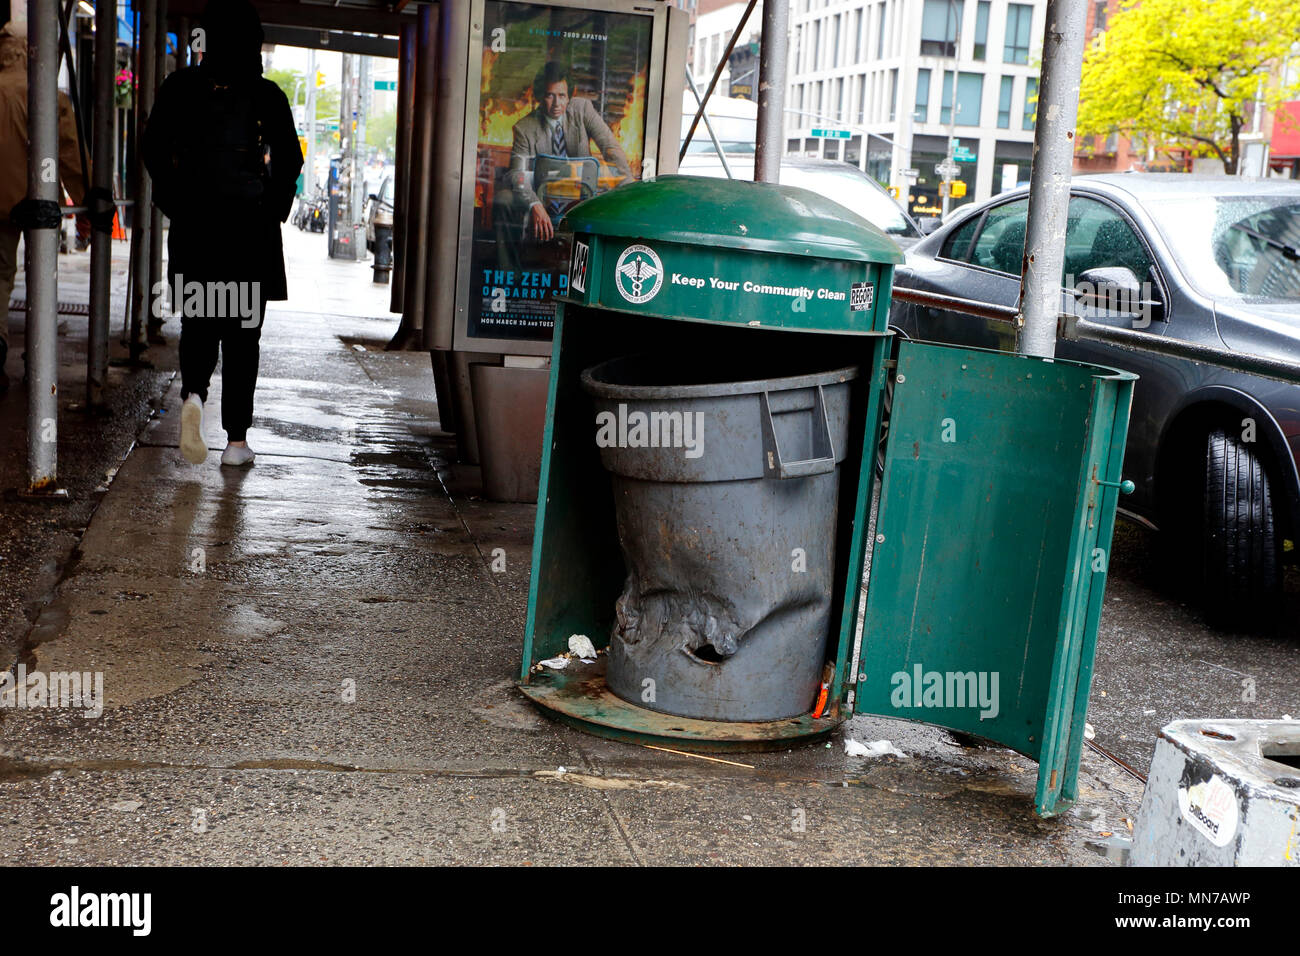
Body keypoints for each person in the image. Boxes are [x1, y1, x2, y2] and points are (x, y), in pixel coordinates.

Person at [142, 0, 301, 466]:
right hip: (249, 235)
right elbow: (289, 160)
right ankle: (235, 442)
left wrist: (175, 201)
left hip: (196, 230)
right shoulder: (267, 95)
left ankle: (193, 395)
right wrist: (270, 208)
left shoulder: (179, 89)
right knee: (242, 336)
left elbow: (153, 149)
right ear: (254, 43)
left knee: (200, 322)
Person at [0, 23, 89, 395]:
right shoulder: (47, 95)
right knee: (42, 281)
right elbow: (70, 154)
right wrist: (85, 203)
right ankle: (35, 357)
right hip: (36, 206)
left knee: (0, 275)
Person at [507, 61, 631, 242]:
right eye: (550, 95)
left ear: (570, 95)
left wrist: (627, 183)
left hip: (583, 198)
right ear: (541, 95)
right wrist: (534, 204)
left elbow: (609, 146)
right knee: (504, 200)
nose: (557, 103)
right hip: (544, 200)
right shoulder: (523, 128)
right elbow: (517, 174)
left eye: (562, 95)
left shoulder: (582, 109)